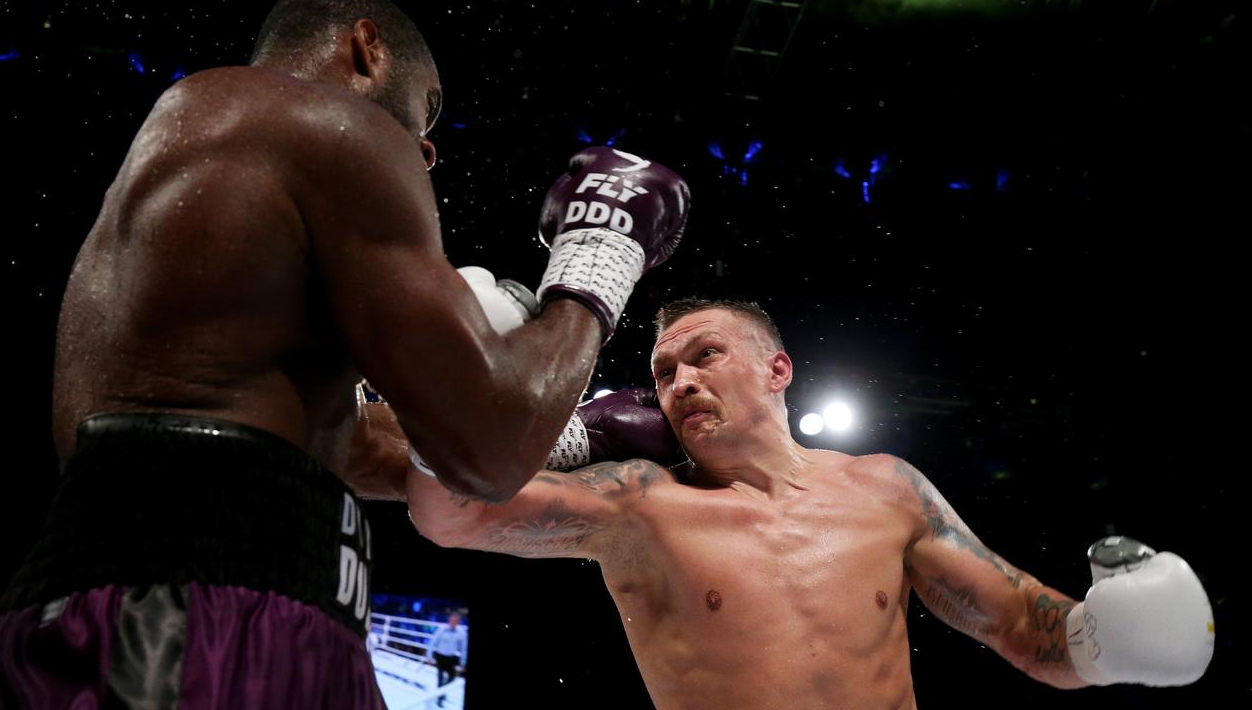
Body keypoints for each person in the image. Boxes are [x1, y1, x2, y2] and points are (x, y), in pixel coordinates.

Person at [0, 0, 689, 706]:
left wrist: (569, 434)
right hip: (204, 621)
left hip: (143, 605)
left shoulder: (212, 161)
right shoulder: (323, 120)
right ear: (366, 47)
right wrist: (602, 254)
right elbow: (489, 452)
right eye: (428, 107)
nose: (429, 147)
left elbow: (339, 447)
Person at [404, 297, 1215, 709]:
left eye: (704, 356)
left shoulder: (886, 489)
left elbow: (1021, 629)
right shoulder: (639, 504)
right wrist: (487, 395)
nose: (679, 382)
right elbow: (451, 513)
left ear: (777, 371)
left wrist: (1107, 640)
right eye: (661, 372)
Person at [425, 612, 468, 706]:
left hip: (451, 658)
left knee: (452, 677)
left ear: (458, 622)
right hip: (440, 656)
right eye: (451, 620)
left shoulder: (461, 633)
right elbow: (432, 642)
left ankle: (442, 690)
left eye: (455, 621)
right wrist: (429, 657)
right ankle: (440, 699)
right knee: (440, 678)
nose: (452, 622)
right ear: (449, 621)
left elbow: (464, 648)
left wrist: (463, 663)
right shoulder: (441, 629)